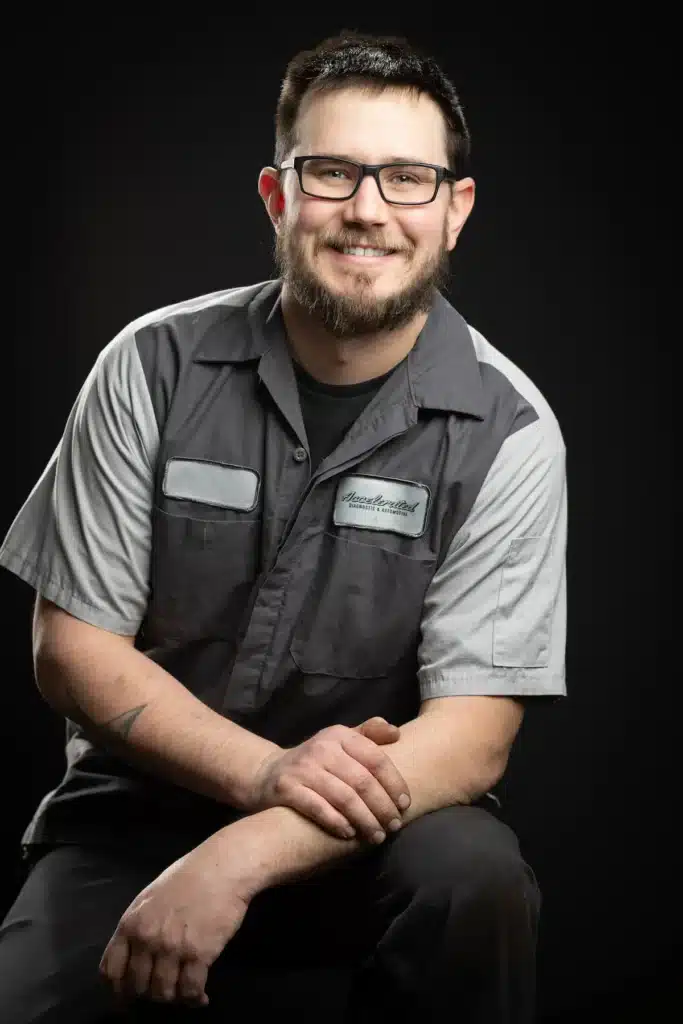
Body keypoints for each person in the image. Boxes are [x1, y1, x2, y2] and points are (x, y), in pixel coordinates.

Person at [0, 29, 567, 1024]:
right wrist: (262, 772)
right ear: (277, 196)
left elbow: (471, 740)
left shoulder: (509, 431)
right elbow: (71, 649)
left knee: (473, 878)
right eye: (332, 172)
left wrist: (237, 855)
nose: (365, 210)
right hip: (136, 819)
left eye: (404, 178)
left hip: (376, 829)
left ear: (452, 211)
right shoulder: (149, 367)